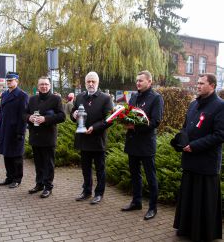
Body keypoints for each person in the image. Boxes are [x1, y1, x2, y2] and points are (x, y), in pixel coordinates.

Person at [173, 73, 223, 241]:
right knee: (189, 197)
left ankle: (203, 233)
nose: (198, 85)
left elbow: (219, 135)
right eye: (198, 83)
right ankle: (187, 228)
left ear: (213, 86)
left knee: (203, 199)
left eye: (202, 83)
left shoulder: (220, 106)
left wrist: (194, 146)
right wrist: (179, 141)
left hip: (206, 162)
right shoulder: (193, 104)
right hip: (190, 160)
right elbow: (186, 127)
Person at [121, 70, 164, 221]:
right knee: (135, 175)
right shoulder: (134, 96)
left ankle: (153, 208)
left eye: (141, 80)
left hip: (146, 144)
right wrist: (124, 120)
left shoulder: (156, 98)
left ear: (149, 82)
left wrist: (135, 127)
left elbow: (155, 121)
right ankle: (136, 202)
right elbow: (129, 114)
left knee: (151, 177)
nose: (138, 83)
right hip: (132, 142)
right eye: (137, 80)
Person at [71, 71, 113, 204]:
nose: (90, 84)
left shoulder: (106, 98)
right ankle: (86, 191)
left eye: (93, 81)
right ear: (85, 83)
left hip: (97, 139)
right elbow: (73, 112)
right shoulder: (79, 97)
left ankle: (99, 193)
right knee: (85, 168)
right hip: (83, 139)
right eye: (88, 81)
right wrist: (74, 114)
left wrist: (94, 128)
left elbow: (109, 120)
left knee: (100, 168)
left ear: (97, 83)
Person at [25, 77, 65, 198]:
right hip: (35, 136)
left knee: (48, 164)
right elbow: (24, 113)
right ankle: (39, 184)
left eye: (46, 84)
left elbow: (62, 116)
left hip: (48, 137)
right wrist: (29, 118)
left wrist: (46, 119)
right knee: (38, 163)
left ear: (49, 86)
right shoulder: (32, 99)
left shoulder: (56, 99)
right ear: (38, 86)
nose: (44, 86)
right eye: (41, 84)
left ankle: (48, 187)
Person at [0, 72, 28, 188]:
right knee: (7, 155)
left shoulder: (22, 95)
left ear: (17, 81)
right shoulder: (4, 94)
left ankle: (17, 179)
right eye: (8, 81)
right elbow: (1, 113)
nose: (9, 82)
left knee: (16, 156)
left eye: (11, 80)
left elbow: (23, 116)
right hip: (5, 129)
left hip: (15, 131)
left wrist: (21, 132)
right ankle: (9, 177)